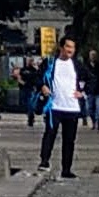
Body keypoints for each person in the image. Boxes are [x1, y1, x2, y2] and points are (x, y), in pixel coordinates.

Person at [38, 35, 83, 184]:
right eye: (68, 47)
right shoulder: (50, 62)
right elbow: (38, 77)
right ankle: (44, 160)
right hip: (55, 105)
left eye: (73, 47)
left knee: (69, 140)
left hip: (71, 107)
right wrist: (42, 86)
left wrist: (83, 92)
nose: (70, 50)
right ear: (61, 47)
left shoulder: (76, 64)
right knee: (50, 133)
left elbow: (91, 79)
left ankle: (66, 169)